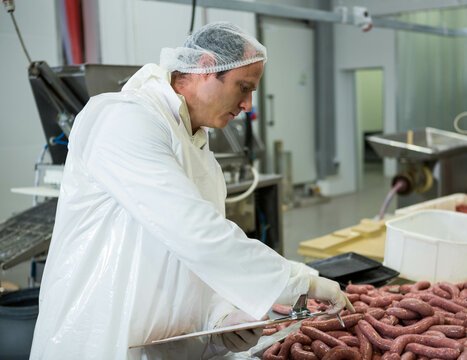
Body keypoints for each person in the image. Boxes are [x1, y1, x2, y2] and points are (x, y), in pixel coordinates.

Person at [30, 22, 353, 360]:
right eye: (243, 87)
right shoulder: (125, 120)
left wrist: (220, 317)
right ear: (204, 68)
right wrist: (301, 281)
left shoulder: (199, 153)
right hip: (100, 341)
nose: (247, 104)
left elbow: (190, 263)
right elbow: (196, 232)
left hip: (166, 346)